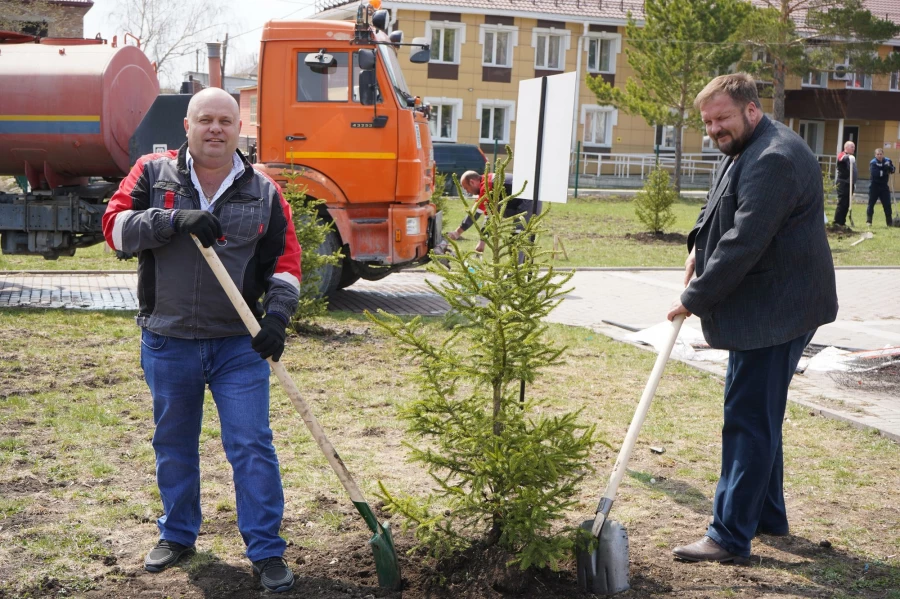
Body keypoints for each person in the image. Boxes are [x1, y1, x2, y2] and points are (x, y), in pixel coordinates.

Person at [102, 88, 302, 593]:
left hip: (239, 344)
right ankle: (178, 535)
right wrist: (170, 221)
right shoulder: (151, 174)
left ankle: (266, 551)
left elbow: (285, 265)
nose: (216, 129)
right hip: (168, 340)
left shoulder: (264, 191)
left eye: (226, 121)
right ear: (187, 127)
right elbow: (114, 230)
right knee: (173, 442)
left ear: (240, 130)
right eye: (206, 120)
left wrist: (276, 318)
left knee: (252, 445)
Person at [667, 73, 838, 563]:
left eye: (721, 118)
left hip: (777, 309)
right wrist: (698, 249)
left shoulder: (773, 159)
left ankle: (728, 536)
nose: (715, 129)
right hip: (775, 301)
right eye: (707, 122)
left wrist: (695, 297)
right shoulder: (747, 145)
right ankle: (766, 515)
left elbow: (745, 240)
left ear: (751, 110)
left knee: (746, 419)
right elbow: (718, 199)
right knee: (759, 415)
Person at [445, 171, 533, 253]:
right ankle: (518, 266)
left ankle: (518, 268)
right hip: (523, 202)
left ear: (472, 182)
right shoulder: (488, 180)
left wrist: (457, 232)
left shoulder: (487, 185)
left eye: (466, 188)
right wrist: (483, 241)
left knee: (518, 240)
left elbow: (475, 213)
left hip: (528, 201)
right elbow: (490, 216)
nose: (467, 192)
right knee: (516, 243)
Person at [867, 148, 895, 227]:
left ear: (883, 154)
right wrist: (885, 171)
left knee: (887, 204)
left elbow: (893, 169)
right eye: (878, 154)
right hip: (874, 185)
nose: (879, 156)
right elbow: (875, 173)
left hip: (884, 186)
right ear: (875, 155)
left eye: (881, 154)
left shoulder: (887, 160)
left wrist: (890, 168)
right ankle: (869, 221)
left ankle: (889, 222)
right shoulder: (873, 162)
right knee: (871, 203)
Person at [833, 140, 858, 227]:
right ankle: (837, 221)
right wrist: (847, 157)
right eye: (852, 147)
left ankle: (842, 222)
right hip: (843, 183)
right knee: (842, 202)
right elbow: (841, 159)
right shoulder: (843, 154)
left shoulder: (852, 157)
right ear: (846, 147)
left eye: (854, 147)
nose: (853, 149)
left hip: (850, 183)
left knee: (847, 203)